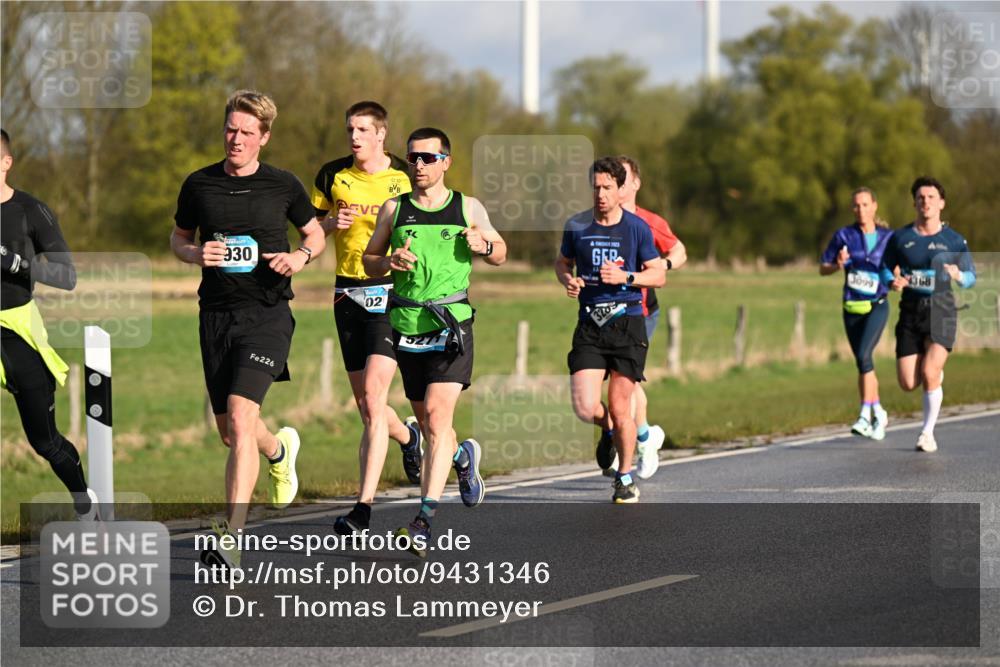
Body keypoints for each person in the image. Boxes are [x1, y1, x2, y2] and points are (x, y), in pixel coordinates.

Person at [170, 91, 325, 569]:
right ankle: (279, 449)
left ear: (264, 137)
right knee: (230, 432)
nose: (236, 139)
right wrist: (195, 254)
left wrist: (299, 257)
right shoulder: (199, 184)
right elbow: (179, 238)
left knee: (240, 418)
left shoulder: (283, 185)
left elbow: (314, 234)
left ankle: (231, 535)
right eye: (230, 130)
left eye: (246, 132)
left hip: (267, 314)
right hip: (216, 316)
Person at [362, 127, 506, 557]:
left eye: (427, 158)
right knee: (427, 425)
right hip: (406, 324)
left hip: (452, 325)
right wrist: (387, 261)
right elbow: (369, 262)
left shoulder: (467, 206)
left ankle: (424, 520)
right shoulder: (395, 208)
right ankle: (462, 458)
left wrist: (484, 245)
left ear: (446, 161)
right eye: (412, 159)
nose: (419, 166)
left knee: (439, 420)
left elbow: (501, 251)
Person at [310, 101, 422, 536]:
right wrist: (329, 224)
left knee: (375, 400)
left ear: (381, 134)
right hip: (346, 292)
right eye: (349, 129)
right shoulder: (331, 175)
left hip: (391, 294)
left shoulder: (404, 176)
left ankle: (362, 509)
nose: (354, 136)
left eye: (362, 129)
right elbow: (312, 230)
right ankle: (412, 440)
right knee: (366, 407)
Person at [555, 157, 665, 504]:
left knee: (621, 405)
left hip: (627, 323)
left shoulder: (636, 228)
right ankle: (611, 432)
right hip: (590, 323)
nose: (600, 194)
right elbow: (562, 263)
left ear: (621, 190)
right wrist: (568, 281)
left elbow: (658, 274)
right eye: (596, 187)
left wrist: (627, 277)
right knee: (585, 406)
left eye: (607, 187)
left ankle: (625, 476)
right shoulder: (577, 226)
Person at [0, 129, 97, 520]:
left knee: (45, 441)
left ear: (6, 162)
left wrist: (17, 263)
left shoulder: (30, 211)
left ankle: (84, 502)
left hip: (17, 330)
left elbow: (67, 277)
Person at [594, 155, 688, 480]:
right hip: (603, 313)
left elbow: (679, 250)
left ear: (633, 184)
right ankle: (644, 436)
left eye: (623, 177)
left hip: (641, 310)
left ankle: (633, 443)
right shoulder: (599, 221)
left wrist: (664, 265)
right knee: (612, 385)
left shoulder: (648, 222)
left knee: (625, 381)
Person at [883, 176, 975, 453]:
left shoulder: (954, 240)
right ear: (915, 203)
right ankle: (933, 378)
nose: (926, 202)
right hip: (910, 313)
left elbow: (971, 277)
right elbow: (886, 268)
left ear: (941, 203)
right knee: (909, 382)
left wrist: (959, 274)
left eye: (931, 197)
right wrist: (892, 281)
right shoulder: (901, 238)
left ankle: (927, 433)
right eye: (921, 198)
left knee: (929, 371)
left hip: (942, 310)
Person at [820, 187, 894, 440]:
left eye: (865, 204)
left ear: (874, 206)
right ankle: (878, 410)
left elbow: (899, 265)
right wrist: (837, 265)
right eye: (856, 205)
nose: (860, 209)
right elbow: (823, 267)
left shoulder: (888, 238)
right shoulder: (844, 235)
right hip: (851, 307)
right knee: (864, 364)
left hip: (877, 304)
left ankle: (864, 414)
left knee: (864, 355)